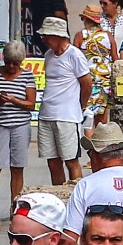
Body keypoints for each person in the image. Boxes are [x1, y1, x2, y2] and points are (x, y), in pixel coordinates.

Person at [0, 40, 39, 214]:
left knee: (17, 167)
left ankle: (15, 207)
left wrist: (14, 100)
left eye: (15, 63)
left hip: (20, 125)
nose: (11, 66)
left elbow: (31, 104)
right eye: (8, 62)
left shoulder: (27, 76)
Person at [38, 16, 92, 185]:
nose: (45, 40)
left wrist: (80, 106)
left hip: (67, 116)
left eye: (48, 36)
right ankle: (59, 196)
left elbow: (87, 84)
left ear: (60, 36)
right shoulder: (48, 55)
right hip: (46, 114)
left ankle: (77, 197)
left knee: (71, 160)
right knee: (52, 161)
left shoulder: (74, 55)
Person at [76, 4, 117, 130]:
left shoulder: (80, 36)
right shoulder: (108, 36)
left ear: (85, 19)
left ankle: (89, 147)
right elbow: (115, 59)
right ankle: (100, 146)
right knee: (101, 116)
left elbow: (74, 59)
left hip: (87, 79)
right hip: (104, 79)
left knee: (87, 116)